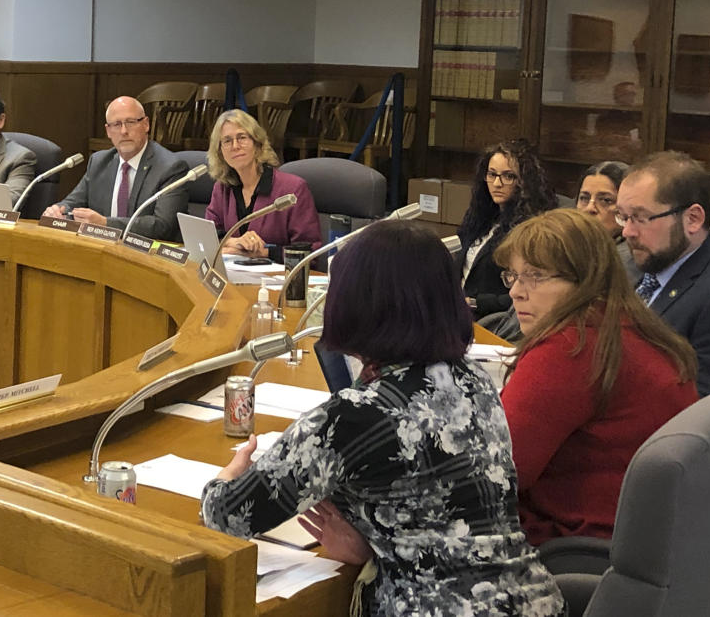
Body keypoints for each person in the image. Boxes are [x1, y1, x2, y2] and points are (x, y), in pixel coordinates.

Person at [201, 221, 565, 616]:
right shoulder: (472, 378)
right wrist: (371, 537)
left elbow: (228, 516)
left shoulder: (353, 416)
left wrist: (227, 477)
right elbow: (431, 505)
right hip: (532, 601)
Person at [495, 208, 697, 545]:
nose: (517, 291)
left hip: (579, 545)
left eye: (535, 276)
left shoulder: (570, 347)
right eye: (512, 276)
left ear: (584, 280)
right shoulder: (628, 326)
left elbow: (497, 472)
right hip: (649, 543)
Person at [616, 151, 710, 396]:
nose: (627, 231)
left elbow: (700, 404)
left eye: (640, 217)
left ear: (692, 219)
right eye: (623, 217)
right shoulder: (633, 268)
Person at [43, 96, 188, 241]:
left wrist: (106, 224)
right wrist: (58, 210)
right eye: (117, 124)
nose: (124, 131)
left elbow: (163, 226)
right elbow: (73, 202)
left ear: (146, 124)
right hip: (101, 251)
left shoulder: (170, 167)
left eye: (131, 122)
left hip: (145, 255)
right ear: (108, 131)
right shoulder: (99, 161)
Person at [456, 139, 556, 320]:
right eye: (492, 174)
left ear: (524, 182)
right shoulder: (479, 218)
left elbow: (528, 292)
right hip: (458, 312)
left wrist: (474, 302)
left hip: (493, 319)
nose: (497, 183)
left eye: (508, 176)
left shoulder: (530, 229)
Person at [204, 109, 320, 261]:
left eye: (242, 137)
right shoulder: (222, 188)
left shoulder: (292, 189)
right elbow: (208, 237)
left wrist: (264, 253)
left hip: (276, 279)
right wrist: (236, 242)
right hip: (231, 275)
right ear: (220, 152)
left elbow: (310, 253)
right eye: (227, 141)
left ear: (257, 144)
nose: (235, 146)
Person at [575, 160, 640, 285]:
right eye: (584, 198)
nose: (590, 208)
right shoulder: (566, 245)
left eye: (605, 200)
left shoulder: (629, 259)